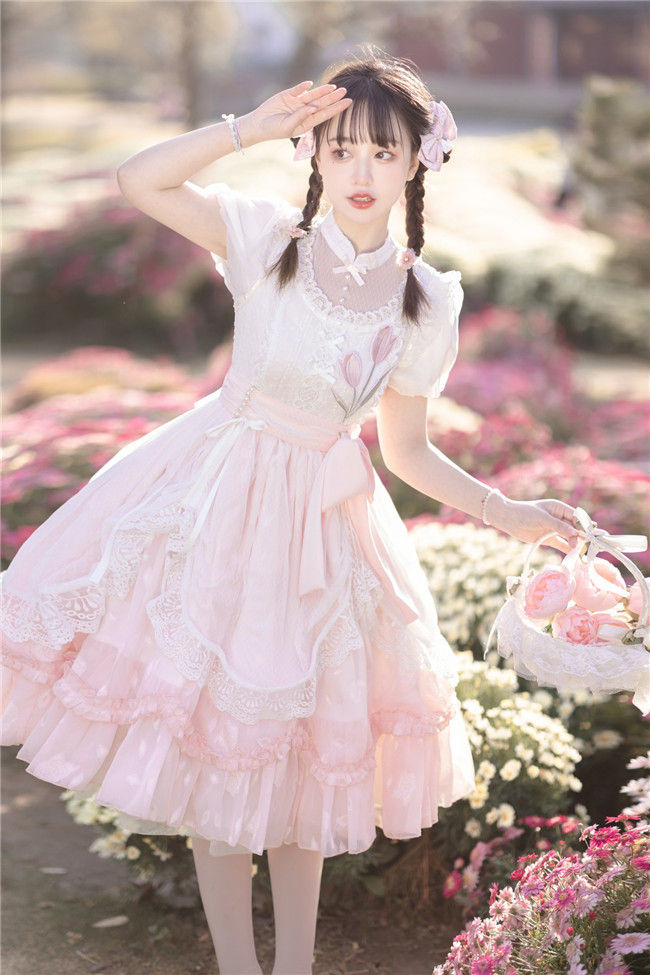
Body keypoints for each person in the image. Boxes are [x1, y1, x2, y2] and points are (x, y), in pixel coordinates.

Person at [1, 46, 580, 975]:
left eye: (382, 154)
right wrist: (246, 130)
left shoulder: (424, 299)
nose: (360, 171)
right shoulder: (267, 239)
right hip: (214, 501)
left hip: (326, 525)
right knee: (218, 757)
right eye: (341, 148)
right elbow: (137, 178)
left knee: (301, 759)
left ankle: (296, 966)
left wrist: (505, 509)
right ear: (314, 154)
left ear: (414, 164)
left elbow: (406, 449)